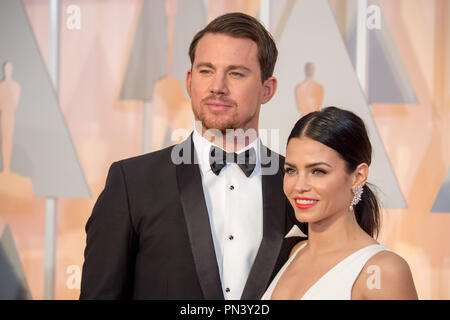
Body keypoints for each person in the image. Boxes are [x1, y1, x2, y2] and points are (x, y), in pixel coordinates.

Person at [80, 12, 303, 300]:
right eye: (206, 70)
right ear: (189, 81)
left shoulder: (299, 183)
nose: (217, 86)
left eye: (236, 73)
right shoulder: (132, 183)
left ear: (268, 89)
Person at [262, 106, 418, 300]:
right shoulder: (294, 252)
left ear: (358, 176)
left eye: (318, 171)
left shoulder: (383, 270)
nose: (299, 186)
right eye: (291, 170)